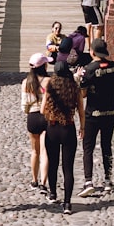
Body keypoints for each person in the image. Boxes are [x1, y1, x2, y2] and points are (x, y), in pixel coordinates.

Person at [78, 38, 114, 197]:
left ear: (92, 52)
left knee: (88, 147)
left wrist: (79, 79)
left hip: (93, 113)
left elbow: (82, 94)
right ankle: (108, 180)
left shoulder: (89, 69)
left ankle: (88, 181)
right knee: (106, 146)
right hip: (110, 112)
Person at [42, 59, 85, 214]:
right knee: (68, 168)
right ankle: (67, 203)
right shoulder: (74, 87)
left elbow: (42, 110)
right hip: (68, 128)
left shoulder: (50, 86)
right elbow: (81, 109)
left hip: (53, 128)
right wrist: (83, 127)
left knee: (53, 163)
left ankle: (53, 193)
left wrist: (51, 114)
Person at [22, 52, 51, 194]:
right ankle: (44, 183)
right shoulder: (48, 81)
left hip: (32, 117)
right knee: (45, 152)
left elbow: (24, 106)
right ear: (44, 66)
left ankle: (34, 180)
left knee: (34, 151)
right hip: (45, 117)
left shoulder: (26, 82)